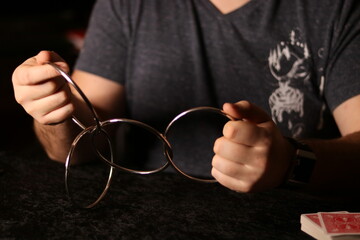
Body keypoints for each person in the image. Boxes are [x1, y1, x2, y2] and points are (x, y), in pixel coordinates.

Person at [12, 0, 360, 193]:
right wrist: (54, 113)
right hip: (142, 217)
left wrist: (291, 162)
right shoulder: (125, 5)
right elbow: (75, 147)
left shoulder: (338, 9)